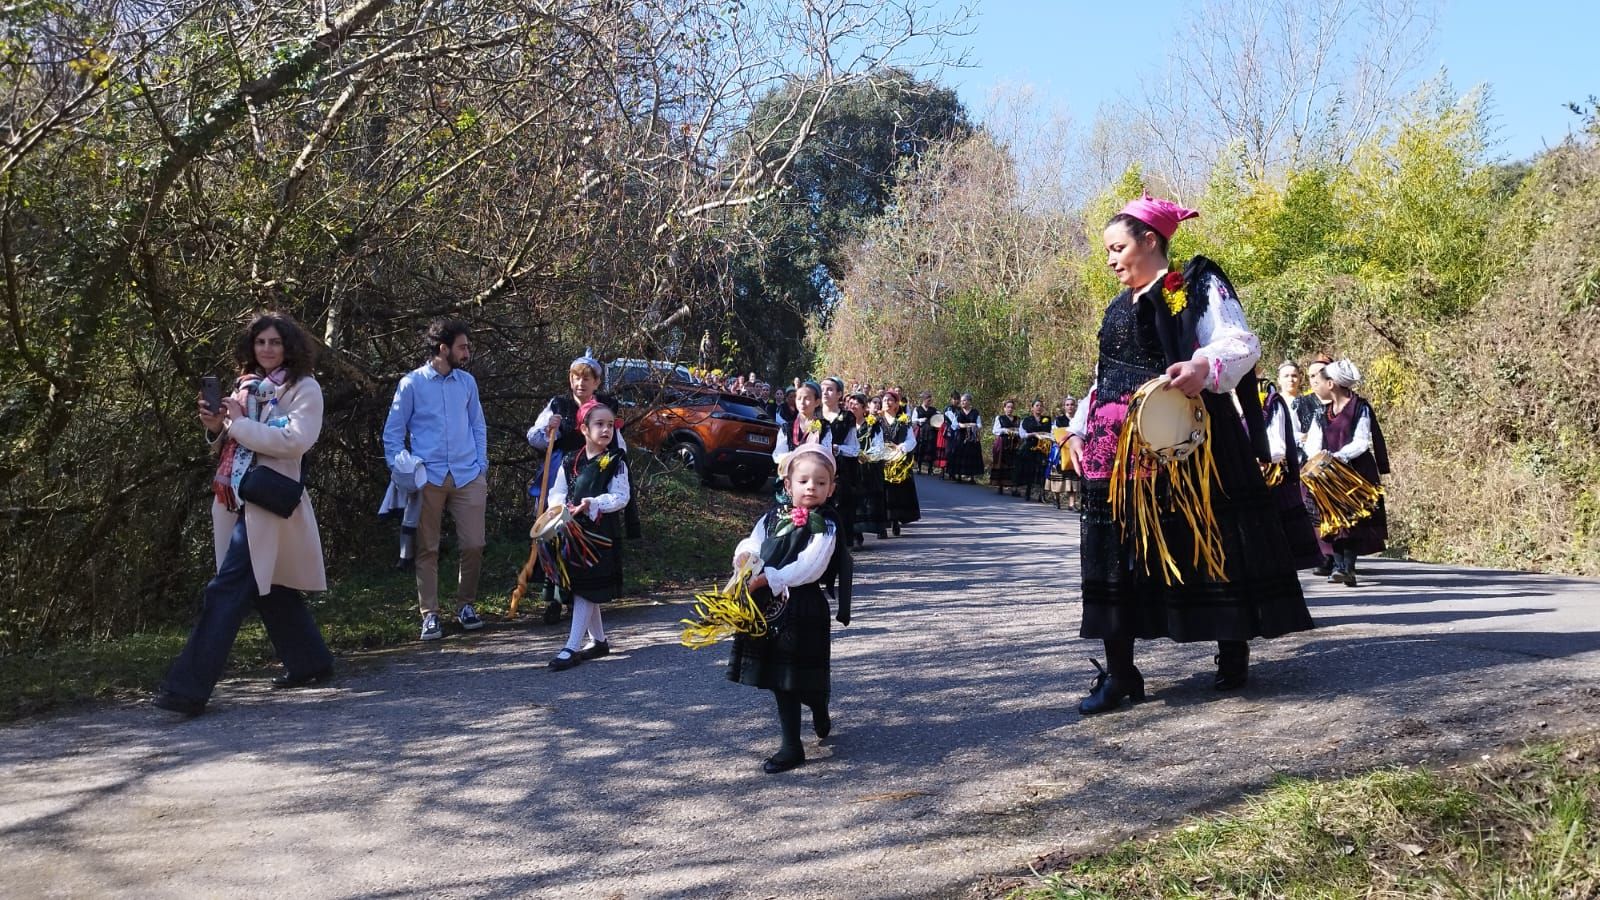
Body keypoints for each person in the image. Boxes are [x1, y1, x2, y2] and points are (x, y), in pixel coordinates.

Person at [1064, 194, 1312, 715]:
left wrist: (1202, 368)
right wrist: (1077, 429)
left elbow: (1240, 343)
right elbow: (1102, 379)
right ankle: (1122, 673)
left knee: (1209, 537)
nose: (1110, 260)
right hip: (1118, 454)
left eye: (1118, 248)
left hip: (1188, 444)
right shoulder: (1115, 307)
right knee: (1117, 553)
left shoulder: (1195, 287)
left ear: (1151, 241)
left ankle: (1232, 646)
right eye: (1107, 251)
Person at [155, 312, 335, 716]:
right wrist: (216, 427)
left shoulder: (304, 388)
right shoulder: (245, 387)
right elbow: (231, 444)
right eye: (260, 343)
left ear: (289, 346)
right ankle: (310, 662)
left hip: (268, 500)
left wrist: (234, 425)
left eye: (275, 342)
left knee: (227, 589)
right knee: (269, 586)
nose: (268, 349)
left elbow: (294, 441)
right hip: (233, 495)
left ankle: (187, 689)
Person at [726, 444, 852, 773]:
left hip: (803, 606)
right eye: (804, 480)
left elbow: (810, 565)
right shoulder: (771, 517)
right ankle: (792, 745)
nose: (812, 487)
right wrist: (744, 559)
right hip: (769, 605)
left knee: (801, 676)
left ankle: (818, 704)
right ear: (788, 484)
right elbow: (753, 542)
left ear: (831, 487)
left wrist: (770, 578)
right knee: (782, 678)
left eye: (821, 482)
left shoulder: (825, 525)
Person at [382, 319, 488, 642]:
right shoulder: (411, 384)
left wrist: (481, 466)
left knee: (474, 544)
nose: (467, 352)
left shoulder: (467, 383)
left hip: (468, 474)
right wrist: (404, 468)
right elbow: (393, 434)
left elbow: (478, 426)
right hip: (428, 477)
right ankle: (430, 614)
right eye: (462, 346)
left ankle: (465, 605)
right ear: (443, 348)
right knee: (427, 548)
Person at [528, 353, 633, 624]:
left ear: (596, 382)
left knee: (584, 537)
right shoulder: (558, 405)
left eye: (587, 378)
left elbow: (618, 446)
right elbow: (535, 438)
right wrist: (548, 429)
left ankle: (583, 597)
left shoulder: (605, 407)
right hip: (562, 473)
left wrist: (611, 465)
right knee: (555, 535)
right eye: (576, 377)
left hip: (595, 475)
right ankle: (553, 598)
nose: (580, 383)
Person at [545, 400, 632, 669]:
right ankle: (599, 641)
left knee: (585, 587)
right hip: (572, 532)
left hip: (599, 535)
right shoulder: (571, 459)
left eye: (610, 425)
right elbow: (557, 492)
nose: (606, 430)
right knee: (585, 586)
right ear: (584, 428)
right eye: (599, 424)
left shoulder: (616, 461)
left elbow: (621, 496)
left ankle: (571, 647)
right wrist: (560, 509)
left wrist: (592, 503)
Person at [1304, 359, 1389, 587]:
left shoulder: (1359, 407)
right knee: (1332, 520)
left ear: (1331, 384)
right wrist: (1318, 459)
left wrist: (1338, 457)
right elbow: (1312, 443)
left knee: (1351, 520)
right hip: (1326, 473)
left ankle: (1346, 568)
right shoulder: (1322, 412)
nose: (1314, 384)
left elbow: (1362, 440)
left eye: (1318, 380)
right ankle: (1339, 566)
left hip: (1354, 472)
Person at [1264, 380, 1323, 570]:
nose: (1292, 379)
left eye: (1294, 375)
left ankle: (1340, 562)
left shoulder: (1271, 402)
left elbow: (1280, 445)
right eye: (1287, 375)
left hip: (1277, 473)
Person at [819, 377, 862, 545]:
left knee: (842, 507)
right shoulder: (814, 415)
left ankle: (841, 546)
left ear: (839, 394)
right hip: (817, 467)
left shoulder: (847, 417)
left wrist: (838, 448)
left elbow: (854, 448)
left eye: (830, 389)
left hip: (841, 469)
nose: (825, 393)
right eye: (822, 389)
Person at [878, 390, 921, 533]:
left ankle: (896, 520)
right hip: (881, 460)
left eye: (890, 400)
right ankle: (882, 526)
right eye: (884, 400)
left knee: (898, 492)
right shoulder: (876, 421)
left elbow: (911, 440)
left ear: (896, 404)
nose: (887, 403)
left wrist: (901, 448)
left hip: (899, 461)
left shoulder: (903, 421)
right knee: (882, 492)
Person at [850, 393, 888, 543]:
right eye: (850, 404)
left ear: (864, 408)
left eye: (856, 405)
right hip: (851, 467)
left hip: (869, 467)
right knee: (853, 500)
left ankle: (873, 528)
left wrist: (865, 456)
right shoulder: (846, 424)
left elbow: (879, 446)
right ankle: (855, 533)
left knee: (869, 500)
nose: (852, 407)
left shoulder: (873, 425)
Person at [1017, 399, 1052, 502]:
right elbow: (1022, 434)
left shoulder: (1047, 419)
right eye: (1037, 405)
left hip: (1043, 448)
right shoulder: (1027, 420)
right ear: (1032, 408)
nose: (1039, 407)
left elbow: (1051, 432)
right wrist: (1033, 434)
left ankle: (1042, 495)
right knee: (1029, 470)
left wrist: (1045, 436)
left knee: (1042, 471)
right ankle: (1028, 492)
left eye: (1041, 406)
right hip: (1030, 447)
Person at [946, 393, 985, 483]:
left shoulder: (975, 412)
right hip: (961, 436)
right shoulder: (959, 412)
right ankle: (959, 475)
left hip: (972, 438)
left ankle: (972, 477)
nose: (962, 402)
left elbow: (979, 425)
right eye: (962, 401)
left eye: (964, 400)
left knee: (972, 455)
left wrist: (970, 425)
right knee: (960, 454)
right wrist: (967, 425)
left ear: (969, 401)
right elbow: (955, 425)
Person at [1053, 397, 1082, 510]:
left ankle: (1072, 503)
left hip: (1074, 449)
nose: (1070, 406)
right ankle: (1057, 499)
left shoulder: (1079, 419)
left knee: (1073, 476)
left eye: (1072, 404)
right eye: (1067, 404)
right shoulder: (1059, 420)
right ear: (1064, 406)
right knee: (1059, 475)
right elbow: (1055, 433)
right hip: (1062, 449)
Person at [990, 399, 1022, 495]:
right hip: (1003, 443)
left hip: (1015, 444)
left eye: (1012, 407)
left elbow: (1021, 432)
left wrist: (1015, 432)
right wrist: (1005, 430)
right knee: (1001, 464)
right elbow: (995, 430)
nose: (1010, 409)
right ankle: (1000, 485)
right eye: (1008, 407)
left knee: (1014, 465)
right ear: (1004, 408)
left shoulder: (1018, 419)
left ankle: (1014, 488)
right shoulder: (1000, 418)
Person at [911, 391, 939, 475]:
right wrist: (920, 420)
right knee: (920, 449)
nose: (929, 402)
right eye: (928, 400)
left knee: (931, 449)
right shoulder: (917, 409)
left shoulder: (934, 410)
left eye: (930, 400)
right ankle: (919, 467)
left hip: (932, 432)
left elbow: (939, 418)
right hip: (922, 431)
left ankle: (930, 469)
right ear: (924, 400)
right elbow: (913, 420)